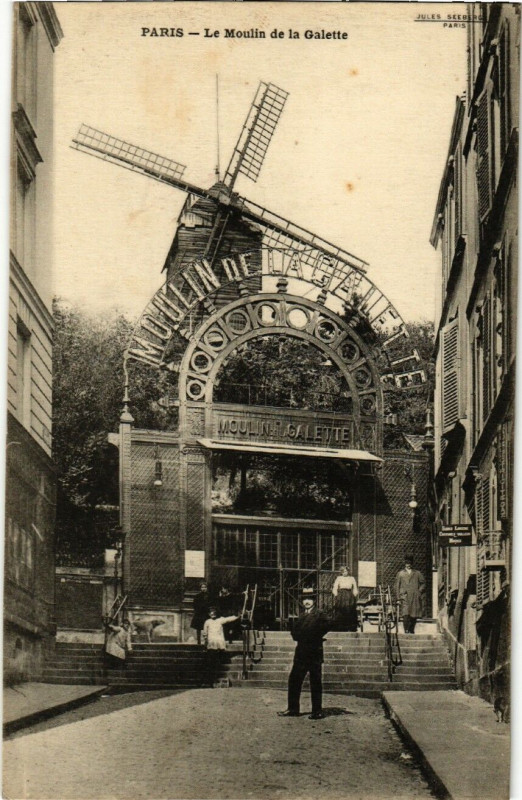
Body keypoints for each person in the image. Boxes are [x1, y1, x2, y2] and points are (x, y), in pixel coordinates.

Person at [278, 587, 332, 720]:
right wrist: (302, 635)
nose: (307, 601)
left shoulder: (320, 614)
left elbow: (326, 626)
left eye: (309, 599)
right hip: (301, 652)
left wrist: (313, 634)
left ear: (314, 600)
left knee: (315, 681)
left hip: (314, 652)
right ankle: (293, 708)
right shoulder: (301, 616)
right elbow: (294, 633)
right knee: (294, 680)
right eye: (304, 599)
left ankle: (317, 711)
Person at [203, 606, 240, 685]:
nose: (213, 615)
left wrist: (237, 616)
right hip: (211, 642)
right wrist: (205, 641)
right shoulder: (207, 622)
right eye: (211, 613)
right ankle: (212, 676)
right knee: (211, 657)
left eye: (214, 613)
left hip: (219, 641)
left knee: (219, 656)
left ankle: (219, 670)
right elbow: (205, 632)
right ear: (209, 614)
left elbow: (228, 619)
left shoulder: (220, 620)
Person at [395, 556, 425, 634]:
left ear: (412, 563)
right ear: (404, 564)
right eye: (407, 563)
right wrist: (398, 598)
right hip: (404, 596)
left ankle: (411, 629)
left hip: (414, 596)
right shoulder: (400, 574)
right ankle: (406, 630)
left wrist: (419, 591)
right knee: (405, 613)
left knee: (413, 614)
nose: (408, 565)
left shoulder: (417, 573)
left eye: (410, 563)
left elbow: (423, 583)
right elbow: (397, 586)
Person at [332, 566, 359, 631]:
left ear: (348, 572)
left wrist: (354, 594)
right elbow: (335, 586)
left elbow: (355, 587)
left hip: (349, 595)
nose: (345, 573)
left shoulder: (351, 578)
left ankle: (350, 626)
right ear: (341, 572)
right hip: (341, 595)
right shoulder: (339, 578)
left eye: (346, 571)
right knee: (341, 609)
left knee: (350, 609)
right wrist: (336, 594)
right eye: (343, 571)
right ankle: (340, 626)